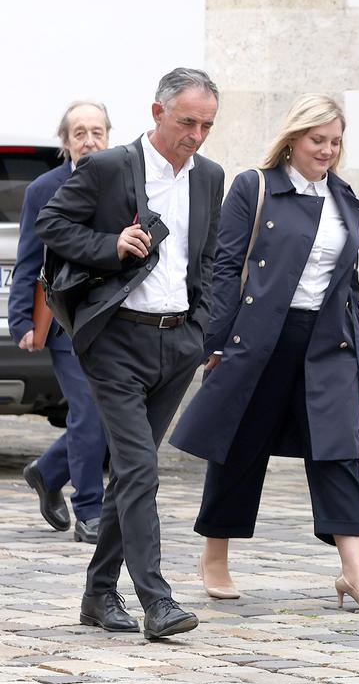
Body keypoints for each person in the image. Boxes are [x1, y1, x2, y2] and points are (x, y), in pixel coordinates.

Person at [169, 94, 359, 609]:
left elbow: (348, 288)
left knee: (337, 453)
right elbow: (224, 268)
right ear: (294, 138)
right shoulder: (255, 186)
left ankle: (356, 572)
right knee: (241, 446)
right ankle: (215, 554)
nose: (328, 150)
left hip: (328, 343)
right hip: (262, 339)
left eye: (335, 141)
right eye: (318, 140)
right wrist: (216, 342)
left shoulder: (344, 198)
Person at [36, 68, 225, 641]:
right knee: (139, 468)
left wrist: (202, 327)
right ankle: (157, 601)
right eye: (187, 121)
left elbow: (211, 257)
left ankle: (97, 594)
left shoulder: (210, 177)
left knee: (129, 479)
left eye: (207, 125)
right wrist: (110, 246)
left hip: (178, 341)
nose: (196, 134)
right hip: (116, 338)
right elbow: (50, 222)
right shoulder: (111, 166)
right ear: (157, 112)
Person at [9, 101, 111, 543]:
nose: (89, 140)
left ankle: (48, 471)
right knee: (88, 411)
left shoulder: (125, 184)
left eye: (97, 132)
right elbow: (29, 258)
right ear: (65, 142)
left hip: (114, 319)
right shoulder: (44, 189)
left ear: (109, 137)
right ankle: (90, 510)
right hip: (64, 320)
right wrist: (21, 321)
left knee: (110, 415)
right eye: (80, 133)